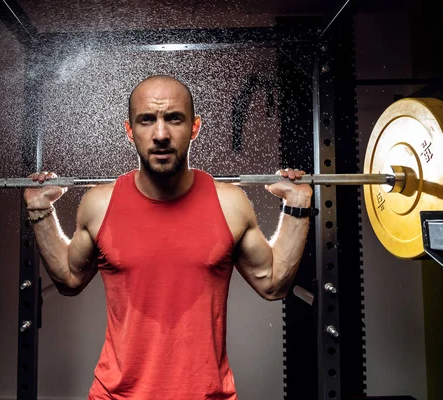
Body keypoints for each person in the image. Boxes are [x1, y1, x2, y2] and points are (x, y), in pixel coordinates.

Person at [23, 75, 313, 400]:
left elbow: (274, 284)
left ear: (195, 127)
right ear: (129, 130)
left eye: (174, 118)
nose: (160, 135)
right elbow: (69, 279)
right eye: (147, 120)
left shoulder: (229, 204)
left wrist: (297, 205)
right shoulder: (100, 204)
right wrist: (39, 210)